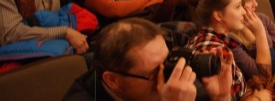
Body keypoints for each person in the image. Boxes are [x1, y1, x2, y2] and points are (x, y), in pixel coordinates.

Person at [63, 17, 233, 101]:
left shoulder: (179, 85)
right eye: (154, 72)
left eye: (167, 61)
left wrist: (222, 98)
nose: (166, 75)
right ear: (112, 80)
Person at [185, 0, 273, 101]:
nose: (243, 11)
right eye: (237, 7)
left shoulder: (205, 38)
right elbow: (264, 79)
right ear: (218, 16)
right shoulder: (217, 52)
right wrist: (260, 33)